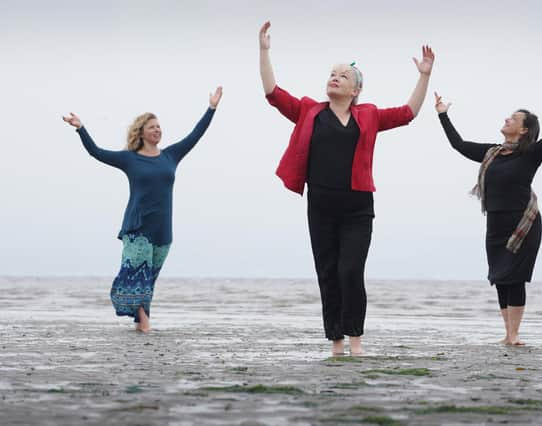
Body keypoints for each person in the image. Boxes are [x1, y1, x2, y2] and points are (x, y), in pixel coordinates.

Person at [259, 21, 434, 355]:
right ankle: (336, 343)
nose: (335, 77)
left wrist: (423, 76)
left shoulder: (368, 115)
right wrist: (264, 51)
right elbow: (273, 93)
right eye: (332, 73)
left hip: (357, 207)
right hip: (321, 205)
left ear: (355, 90)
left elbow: (408, 112)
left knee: (350, 270)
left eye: (343, 75)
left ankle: (355, 341)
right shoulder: (310, 111)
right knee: (327, 272)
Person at [62, 86, 223, 332]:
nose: (157, 130)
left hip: (163, 230)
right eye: (152, 127)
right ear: (142, 133)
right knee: (139, 278)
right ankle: (146, 327)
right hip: (137, 227)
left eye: (159, 126)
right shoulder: (130, 159)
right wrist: (81, 128)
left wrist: (211, 108)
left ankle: (140, 325)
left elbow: (195, 135)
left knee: (149, 281)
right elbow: (96, 152)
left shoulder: (171, 156)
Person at [435, 79, 542, 345]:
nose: (507, 119)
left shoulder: (531, 154)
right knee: (500, 277)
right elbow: (459, 144)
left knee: (515, 278)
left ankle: (515, 335)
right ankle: (508, 334)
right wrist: (443, 115)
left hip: (523, 225)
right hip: (495, 225)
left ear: (524, 129)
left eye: (514, 118)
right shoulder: (492, 154)